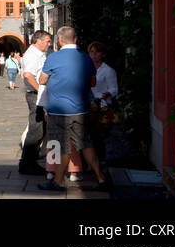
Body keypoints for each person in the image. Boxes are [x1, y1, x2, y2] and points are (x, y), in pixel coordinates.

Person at [37, 26, 108, 192]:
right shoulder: (85, 58)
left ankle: (58, 181)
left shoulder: (53, 58)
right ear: (75, 39)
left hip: (58, 110)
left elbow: (41, 80)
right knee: (86, 144)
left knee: (61, 146)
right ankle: (101, 178)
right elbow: (93, 83)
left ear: (60, 41)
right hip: (81, 110)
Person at [19, 30, 52, 175]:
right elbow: (28, 74)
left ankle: (33, 159)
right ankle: (27, 164)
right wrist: (40, 90)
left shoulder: (38, 54)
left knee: (41, 127)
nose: (49, 44)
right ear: (38, 40)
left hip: (37, 95)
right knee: (36, 129)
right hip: (35, 95)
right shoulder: (32, 54)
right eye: (48, 41)